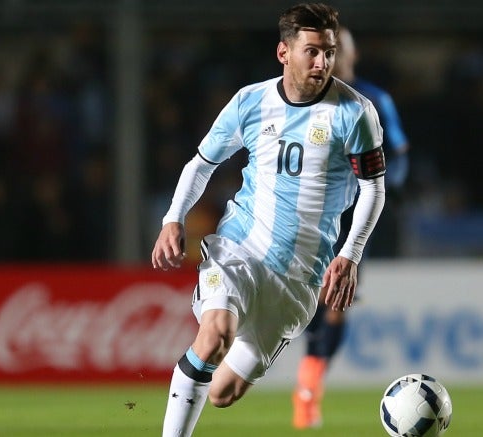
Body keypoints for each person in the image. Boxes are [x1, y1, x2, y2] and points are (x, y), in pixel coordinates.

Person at [151, 4, 386, 436]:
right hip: (241, 248)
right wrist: (173, 218)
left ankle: (202, 371)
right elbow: (202, 163)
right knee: (215, 334)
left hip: (299, 278)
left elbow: (373, 187)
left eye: (329, 52)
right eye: (312, 52)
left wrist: (349, 255)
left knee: (223, 392)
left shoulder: (355, 113)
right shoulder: (250, 102)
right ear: (284, 53)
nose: (323, 63)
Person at [292, 26, 410, 430]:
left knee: (337, 303)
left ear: (352, 57)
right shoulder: (303, 100)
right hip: (309, 218)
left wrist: (381, 186)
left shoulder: (375, 101)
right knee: (309, 301)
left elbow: (399, 152)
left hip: (355, 220)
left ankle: (310, 384)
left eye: (337, 51)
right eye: (324, 51)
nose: (331, 58)